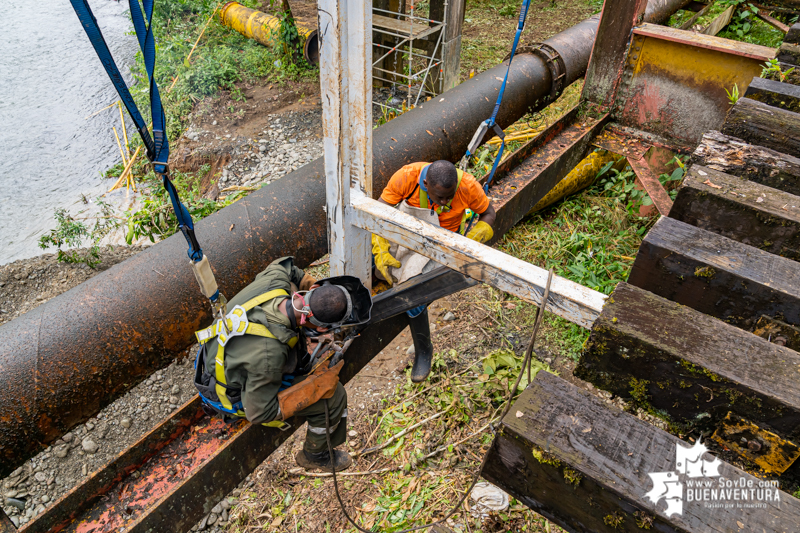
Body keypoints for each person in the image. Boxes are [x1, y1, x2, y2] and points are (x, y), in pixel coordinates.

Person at [193, 256, 370, 473]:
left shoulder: (276, 280)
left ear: (313, 289)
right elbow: (258, 413)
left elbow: (288, 268)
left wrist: (316, 297)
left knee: (297, 357)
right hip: (230, 389)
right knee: (334, 398)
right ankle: (315, 455)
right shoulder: (270, 357)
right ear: (323, 329)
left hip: (220, 352)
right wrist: (314, 388)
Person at [371, 160, 496, 382]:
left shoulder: (468, 186)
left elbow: (488, 213)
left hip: (441, 243)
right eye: (439, 197)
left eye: (450, 196)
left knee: (414, 290)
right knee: (380, 270)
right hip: (406, 231)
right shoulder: (406, 177)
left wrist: (479, 233)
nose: (445, 202)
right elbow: (378, 211)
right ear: (426, 183)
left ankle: (423, 350)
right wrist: (379, 243)